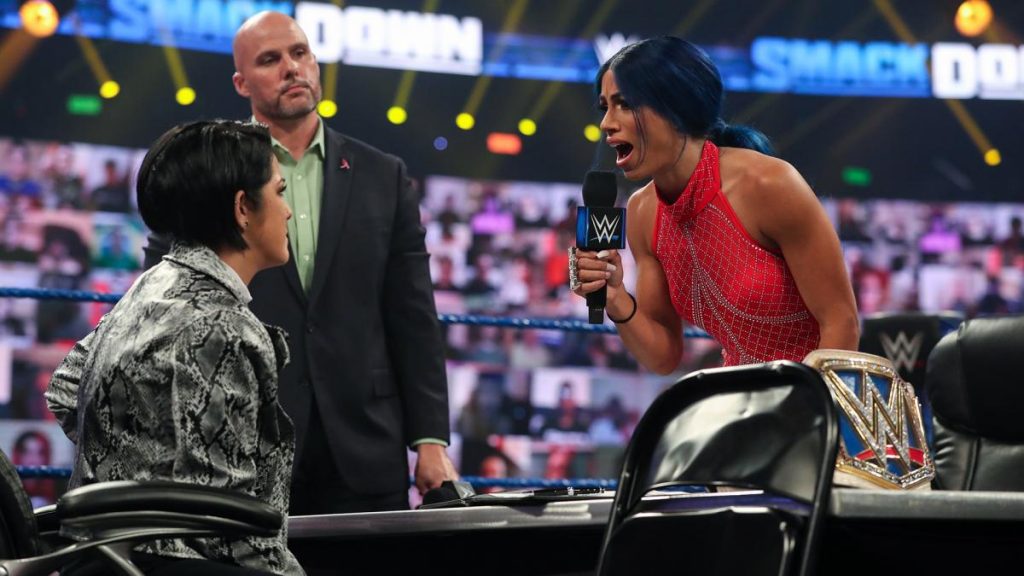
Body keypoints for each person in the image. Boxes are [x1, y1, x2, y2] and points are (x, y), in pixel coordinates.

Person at [143, 11, 456, 514]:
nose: (292, 68)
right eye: (271, 59)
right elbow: (163, 301)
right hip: (242, 441)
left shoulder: (384, 175)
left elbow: (413, 315)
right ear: (242, 82)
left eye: (300, 53)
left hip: (364, 443)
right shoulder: (206, 171)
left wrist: (431, 441)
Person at [47, 119, 302, 575]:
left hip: (104, 560)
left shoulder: (151, 285)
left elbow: (66, 388)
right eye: (280, 191)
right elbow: (235, 528)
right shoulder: (228, 326)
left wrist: (137, 478)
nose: (286, 210)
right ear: (243, 208)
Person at [571, 37, 859, 372]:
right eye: (605, 107)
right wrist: (615, 298)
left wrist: (801, 411)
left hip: (815, 400)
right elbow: (663, 356)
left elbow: (842, 323)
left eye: (624, 104)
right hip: (743, 403)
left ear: (675, 109)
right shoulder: (642, 212)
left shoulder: (767, 184)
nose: (606, 123)